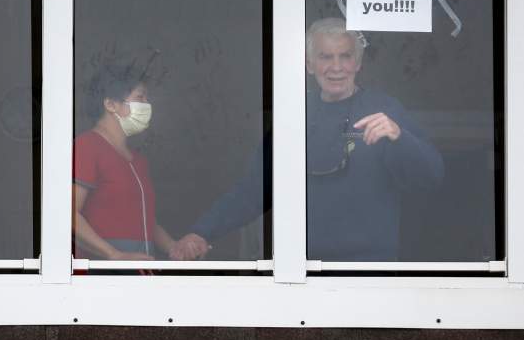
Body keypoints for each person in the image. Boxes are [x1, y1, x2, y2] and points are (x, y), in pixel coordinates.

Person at [180, 17, 443, 261]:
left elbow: (431, 178)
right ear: (309, 64)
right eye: (326, 57)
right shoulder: (293, 113)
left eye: (345, 56)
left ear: (358, 63)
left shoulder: (384, 110)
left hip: (369, 271)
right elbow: (254, 189)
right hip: (302, 270)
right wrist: (203, 232)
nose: (336, 67)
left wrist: (400, 137)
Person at [72, 61, 208, 265]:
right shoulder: (88, 146)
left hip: (139, 271)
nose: (146, 104)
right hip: (103, 276)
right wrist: (112, 254)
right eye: (139, 97)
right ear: (110, 104)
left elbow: (143, 218)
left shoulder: (138, 160)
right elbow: (68, 214)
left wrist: (174, 247)